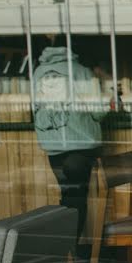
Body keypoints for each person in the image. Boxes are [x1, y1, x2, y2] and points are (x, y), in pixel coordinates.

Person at [32, 37, 106, 240]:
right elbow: (99, 112)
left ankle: (63, 253)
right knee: (76, 200)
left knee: (68, 197)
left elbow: (34, 107)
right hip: (80, 146)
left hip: (54, 147)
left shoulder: (38, 73)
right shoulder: (81, 71)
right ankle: (67, 252)